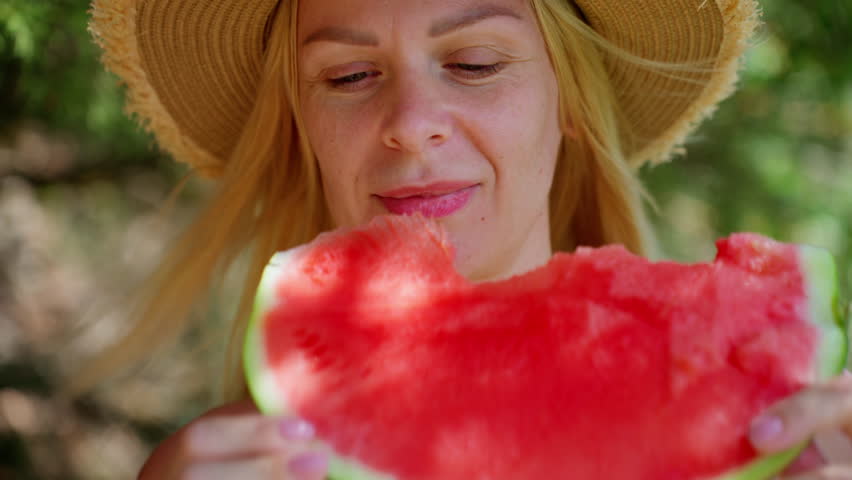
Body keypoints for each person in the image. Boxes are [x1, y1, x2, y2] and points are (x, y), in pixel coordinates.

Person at [73, 0, 852, 478]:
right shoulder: (226, 470)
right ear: (303, 125)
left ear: (570, 99)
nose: (412, 126)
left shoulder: (765, 440)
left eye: (475, 63)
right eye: (347, 77)